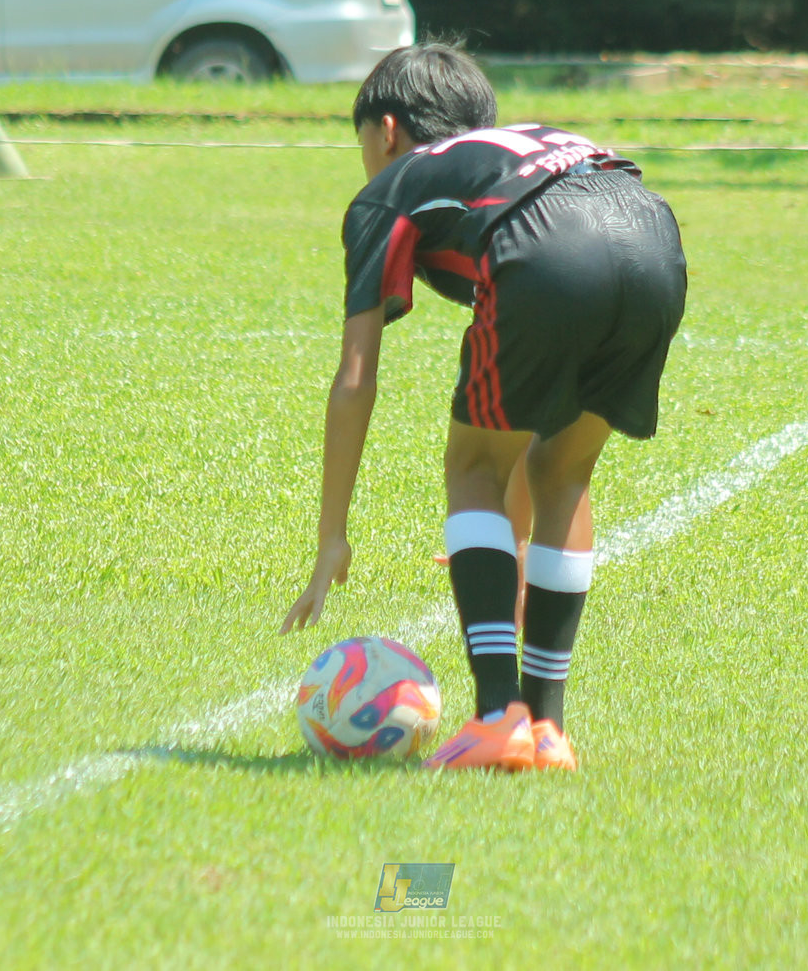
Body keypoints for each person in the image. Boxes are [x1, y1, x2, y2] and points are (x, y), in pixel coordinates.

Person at [280, 43, 688, 772]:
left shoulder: (392, 186)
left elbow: (356, 377)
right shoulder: (505, 153)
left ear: (387, 131)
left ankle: (499, 715)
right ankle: (548, 730)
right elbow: (529, 400)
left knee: (471, 466)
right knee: (563, 470)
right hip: (654, 238)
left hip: (550, 243)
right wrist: (509, 542)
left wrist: (331, 538)